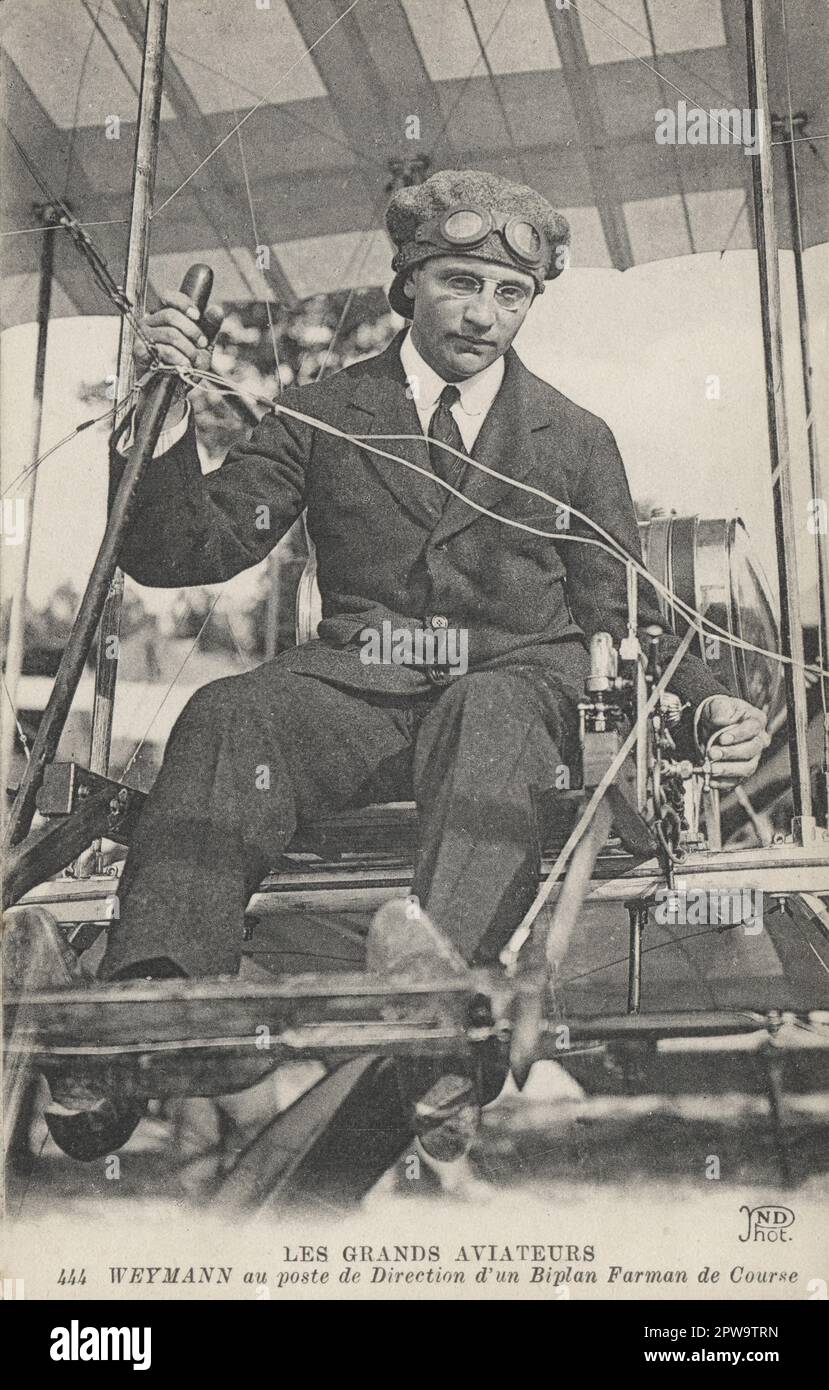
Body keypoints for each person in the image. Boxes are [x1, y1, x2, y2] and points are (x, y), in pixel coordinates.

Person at [11, 170, 768, 1170]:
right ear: (407, 282)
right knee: (231, 710)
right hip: (357, 693)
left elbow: (621, 600)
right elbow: (178, 553)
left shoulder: (576, 438)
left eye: (512, 293)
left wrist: (709, 692)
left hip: (513, 692)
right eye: (461, 281)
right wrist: (160, 422)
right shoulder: (324, 412)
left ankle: (439, 1003)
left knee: (488, 708)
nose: (486, 314)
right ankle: (149, 1009)